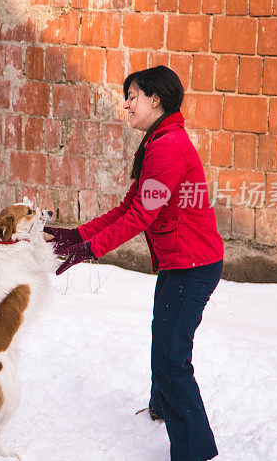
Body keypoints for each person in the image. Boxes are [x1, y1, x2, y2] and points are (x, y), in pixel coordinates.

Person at [45, 65, 224, 461]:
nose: (126, 105)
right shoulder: (159, 140)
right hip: (182, 262)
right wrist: (79, 235)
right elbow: (132, 206)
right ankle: (162, 408)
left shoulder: (167, 147)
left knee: (171, 358)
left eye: (132, 97)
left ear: (154, 99)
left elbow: (140, 217)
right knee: (165, 340)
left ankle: (195, 451)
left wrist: (89, 250)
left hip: (192, 266)